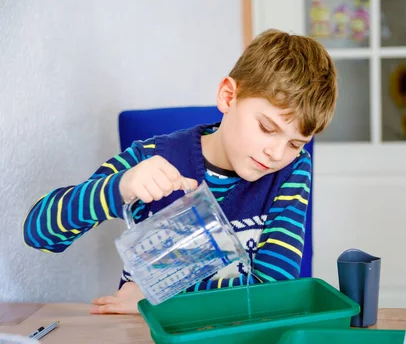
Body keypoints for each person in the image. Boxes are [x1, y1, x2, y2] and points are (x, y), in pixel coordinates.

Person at [22, 29, 337, 314]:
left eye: (296, 143)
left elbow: (272, 292)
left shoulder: (292, 169)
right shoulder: (151, 158)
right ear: (229, 97)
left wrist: (155, 293)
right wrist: (119, 187)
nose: (277, 153)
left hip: (237, 342)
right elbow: (39, 233)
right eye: (267, 128)